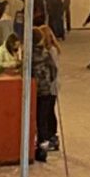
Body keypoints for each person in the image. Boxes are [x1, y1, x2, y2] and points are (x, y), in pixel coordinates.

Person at [29, 28, 60, 159]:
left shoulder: (28, 55)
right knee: (43, 118)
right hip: (46, 90)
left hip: (34, 90)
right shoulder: (46, 53)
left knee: (35, 119)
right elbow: (54, 69)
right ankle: (43, 147)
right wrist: (49, 80)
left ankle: (35, 144)